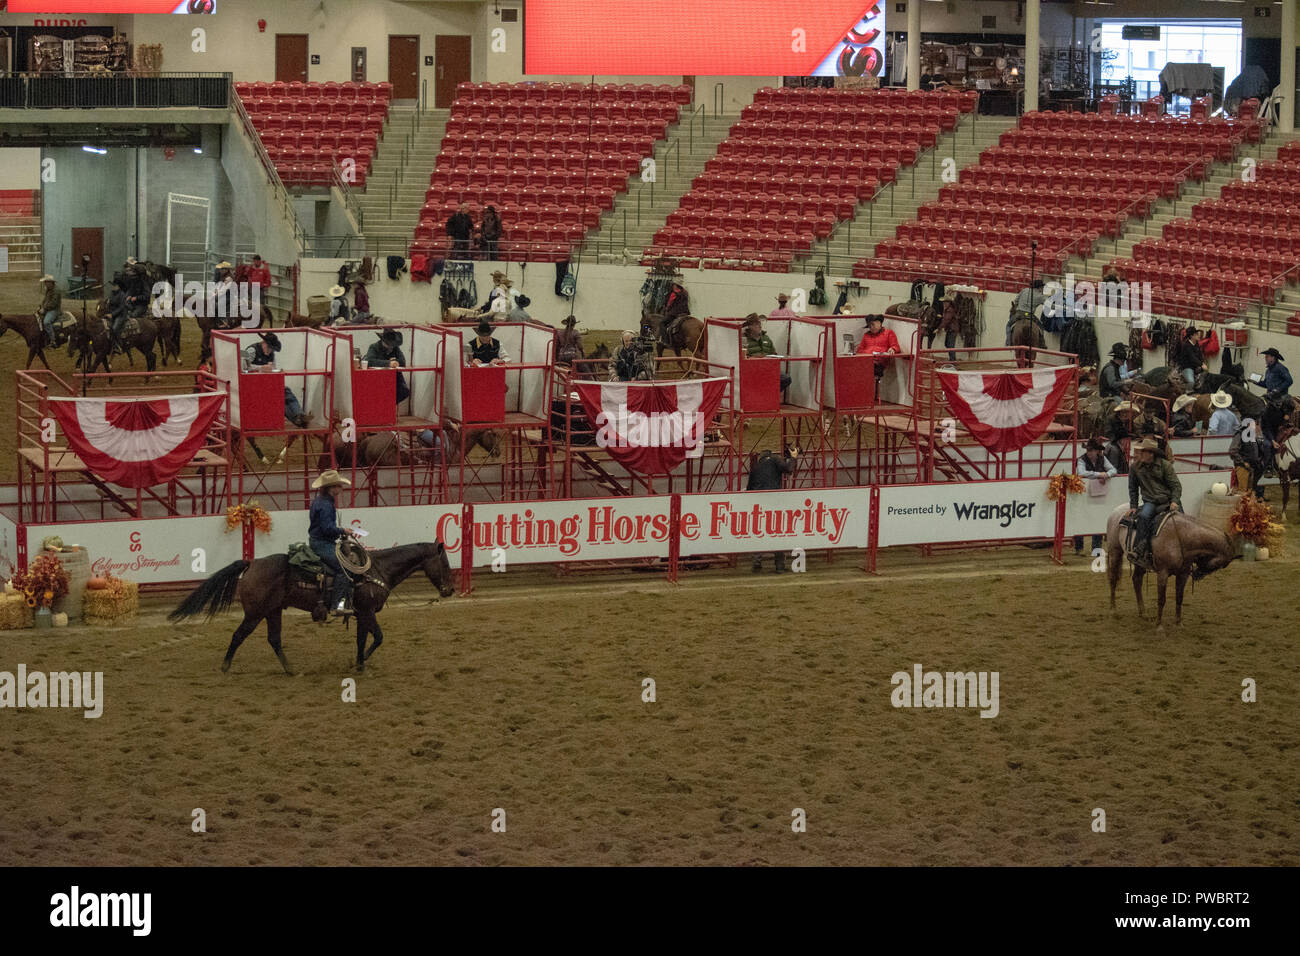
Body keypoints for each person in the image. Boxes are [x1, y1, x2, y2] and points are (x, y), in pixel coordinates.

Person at [1127, 436, 1182, 566]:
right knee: (1144, 517)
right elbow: (1133, 488)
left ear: (1150, 453)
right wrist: (1133, 506)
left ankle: (1187, 552)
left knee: (1183, 521)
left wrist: (1174, 501)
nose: (1139, 454)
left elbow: (1176, 486)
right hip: (1150, 501)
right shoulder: (1135, 468)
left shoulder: (1165, 466)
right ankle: (1138, 550)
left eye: (1142, 451)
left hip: (1168, 500)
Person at [308, 469, 357, 616]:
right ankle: (337, 605)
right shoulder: (326, 505)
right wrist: (343, 530)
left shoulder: (321, 501)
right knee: (345, 568)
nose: (340, 488)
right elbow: (327, 528)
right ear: (332, 488)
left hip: (319, 541)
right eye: (338, 486)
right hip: (321, 544)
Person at [747, 447, 798, 573]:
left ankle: (756, 563)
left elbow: (749, 489)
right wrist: (793, 458)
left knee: (759, 532)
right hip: (774, 502)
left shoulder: (756, 467)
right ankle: (779, 565)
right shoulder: (775, 460)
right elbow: (788, 469)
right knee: (776, 531)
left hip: (758, 505)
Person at [245, 332, 310, 429]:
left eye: (272, 349)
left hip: (264, 385)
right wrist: (260, 368)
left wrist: (277, 372)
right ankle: (297, 417)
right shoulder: (251, 350)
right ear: (263, 343)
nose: (270, 351)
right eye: (269, 348)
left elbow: (272, 368)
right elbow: (243, 368)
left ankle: (298, 415)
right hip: (251, 387)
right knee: (281, 395)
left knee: (284, 392)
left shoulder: (271, 354)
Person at [1075, 437, 1117, 555]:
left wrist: (1106, 475)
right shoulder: (1081, 460)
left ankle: (1096, 548)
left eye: (1092, 450)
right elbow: (1081, 473)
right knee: (1082, 519)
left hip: (1097, 493)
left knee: (1097, 518)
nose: (1089, 453)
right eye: (1088, 450)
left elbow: (1113, 470)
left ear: (1097, 451)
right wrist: (1100, 474)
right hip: (1083, 494)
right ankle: (1079, 547)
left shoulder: (1102, 458)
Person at [743, 315, 791, 392]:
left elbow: (774, 353)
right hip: (753, 369)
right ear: (750, 326)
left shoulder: (766, 338)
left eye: (760, 323)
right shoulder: (743, 339)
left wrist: (773, 358)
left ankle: (770, 394)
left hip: (768, 368)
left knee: (785, 378)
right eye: (756, 324)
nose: (759, 326)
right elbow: (744, 357)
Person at [855, 314, 901, 392]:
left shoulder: (889, 333)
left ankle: (865, 394)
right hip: (866, 361)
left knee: (864, 370)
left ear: (879, 323)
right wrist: (868, 354)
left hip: (879, 363)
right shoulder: (866, 335)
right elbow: (859, 350)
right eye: (869, 326)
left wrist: (892, 349)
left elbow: (895, 346)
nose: (871, 327)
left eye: (872, 324)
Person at [365, 328, 410, 403]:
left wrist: (396, 362)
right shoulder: (374, 347)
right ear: (383, 341)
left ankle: (389, 405)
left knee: (404, 391)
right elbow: (369, 361)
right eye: (389, 344)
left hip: (394, 379)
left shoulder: (395, 348)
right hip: (377, 378)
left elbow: (403, 361)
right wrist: (388, 363)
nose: (391, 347)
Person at [1230, 417, 1266, 500]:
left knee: (1248, 492)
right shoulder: (1240, 434)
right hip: (1243, 466)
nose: (1258, 428)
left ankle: (1245, 511)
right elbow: (1232, 451)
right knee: (1242, 492)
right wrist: (1243, 462)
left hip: (1251, 467)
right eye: (1256, 425)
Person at [1006, 279, 1045, 345]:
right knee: (1041, 327)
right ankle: (1042, 343)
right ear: (1040, 287)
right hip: (1029, 315)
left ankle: (1008, 342)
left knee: (1009, 325)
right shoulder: (1040, 296)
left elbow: (1016, 301)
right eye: (1042, 287)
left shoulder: (1024, 290)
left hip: (1019, 314)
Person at [38, 275, 62, 346]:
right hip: (48, 309)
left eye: (46, 282)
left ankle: (53, 340)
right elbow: (45, 300)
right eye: (44, 282)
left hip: (54, 310)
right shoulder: (48, 290)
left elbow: (53, 303)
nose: (45, 284)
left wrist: (44, 309)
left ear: (50, 283)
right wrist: (41, 306)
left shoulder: (56, 291)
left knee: (46, 322)